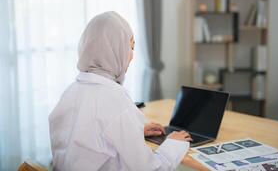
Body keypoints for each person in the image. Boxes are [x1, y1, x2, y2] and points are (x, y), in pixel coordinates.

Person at [49, 11, 192, 171]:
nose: (131, 56)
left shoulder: (71, 91)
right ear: (114, 51)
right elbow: (151, 169)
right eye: (130, 47)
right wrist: (173, 144)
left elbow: (85, 139)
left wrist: (135, 133)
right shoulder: (114, 98)